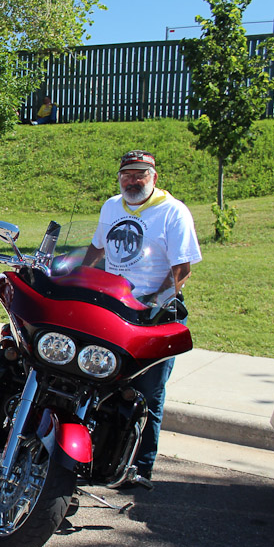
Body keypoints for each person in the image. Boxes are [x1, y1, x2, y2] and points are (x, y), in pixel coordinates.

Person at [81, 149, 202, 483]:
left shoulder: (172, 212)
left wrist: (156, 303)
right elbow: (97, 249)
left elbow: (183, 268)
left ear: (154, 177)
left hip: (155, 314)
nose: (133, 181)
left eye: (140, 174)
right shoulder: (111, 206)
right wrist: (76, 276)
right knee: (101, 379)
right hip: (115, 309)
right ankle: (100, 455)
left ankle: (140, 466)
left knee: (148, 393)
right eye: (127, 174)